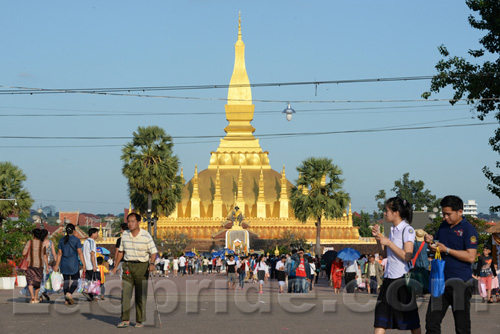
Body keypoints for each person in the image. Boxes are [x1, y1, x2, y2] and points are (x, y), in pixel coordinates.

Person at [424, 195, 479, 334]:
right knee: (431, 322)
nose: (445, 217)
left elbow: (471, 257)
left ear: (460, 212)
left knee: (462, 326)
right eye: (443, 214)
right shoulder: (443, 226)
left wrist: (447, 250)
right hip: (440, 281)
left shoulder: (468, 230)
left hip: (460, 282)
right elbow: (437, 247)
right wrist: (430, 243)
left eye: (448, 214)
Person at [372, 197, 420, 334]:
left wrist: (389, 243)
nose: (384, 213)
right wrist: (378, 239)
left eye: (387, 210)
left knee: (411, 321)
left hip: (402, 280)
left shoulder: (407, 229)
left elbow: (407, 255)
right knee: (380, 319)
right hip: (388, 278)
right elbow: (385, 255)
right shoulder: (392, 230)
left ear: (396, 212)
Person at [112, 212, 158, 328]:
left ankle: (139, 320)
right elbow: (121, 252)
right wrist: (115, 266)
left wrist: (152, 263)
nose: (130, 224)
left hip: (142, 267)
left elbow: (153, 252)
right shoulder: (125, 235)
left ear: (138, 222)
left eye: (133, 221)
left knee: (140, 295)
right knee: (125, 293)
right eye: (129, 221)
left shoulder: (146, 235)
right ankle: (125, 319)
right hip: (128, 266)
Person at [54, 223, 86, 305]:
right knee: (76, 280)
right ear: (74, 231)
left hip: (64, 263)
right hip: (73, 263)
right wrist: (84, 264)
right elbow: (80, 252)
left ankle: (66, 300)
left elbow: (59, 254)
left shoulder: (61, 240)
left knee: (66, 281)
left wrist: (56, 265)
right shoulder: (76, 240)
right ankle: (69, 293)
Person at [22, 229, 47, 303]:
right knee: (37, 281)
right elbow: (45, 255)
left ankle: (32, 297)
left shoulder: (29, 242)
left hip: (30, 265)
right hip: (39, 265)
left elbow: (24, 253)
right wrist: (47, 266)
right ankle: (36, 298)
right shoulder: (43, 244)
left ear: (33, 235)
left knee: (30, 280)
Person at [39, 229, 57, 301]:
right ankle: (44, 291)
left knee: (40, 279)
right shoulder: (50, 242)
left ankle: (40, 296)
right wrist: (56, 264)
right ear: (47, 235)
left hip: (40, 262)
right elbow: (54, 254)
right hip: (48, 263)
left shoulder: (39, 242)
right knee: (47, 280)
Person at [411, 229, 430, 295]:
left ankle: (419, 290)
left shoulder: (413, 243)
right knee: (425, 276)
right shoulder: (426, 244)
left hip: (416, 262)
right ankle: (426, 288)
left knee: (418, 277)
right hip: (425, 262)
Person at [82, 228, 99, 301]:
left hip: (86, 264)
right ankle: (94, 295)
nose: (97, 235)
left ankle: (89, 294)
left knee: (89, 280)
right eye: (97, 233)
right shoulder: (92, 242)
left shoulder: (85, 242)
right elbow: (92, 254)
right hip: (91, 265)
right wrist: (94, 265)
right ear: (93, 233)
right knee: (95, 281)